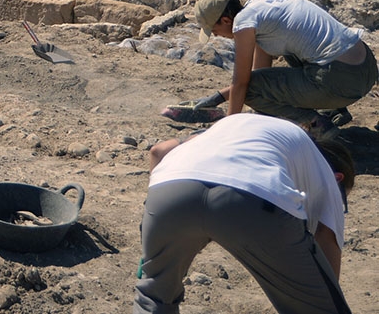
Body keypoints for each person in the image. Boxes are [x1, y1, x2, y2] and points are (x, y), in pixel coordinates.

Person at [135, 113, 354, 313]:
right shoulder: (326, 175)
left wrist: (155, 239)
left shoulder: (236, 124)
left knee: (154, 297)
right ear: (338, 178)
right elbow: (327, 249)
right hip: (253, 197)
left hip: (169, 188)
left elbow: (158, 151)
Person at [169, 0, 376, 138]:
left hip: (340, 82)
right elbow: (259, 74)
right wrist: (218, 98)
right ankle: (334, 110)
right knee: (292, 54)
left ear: (225, 20)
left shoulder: (243, 24)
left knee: (250, 91)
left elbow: (243, 84)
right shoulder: (261, 11)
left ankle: (317, 123)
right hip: (366, 68)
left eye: (214, 30)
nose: (216, 36)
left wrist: (227, 132)